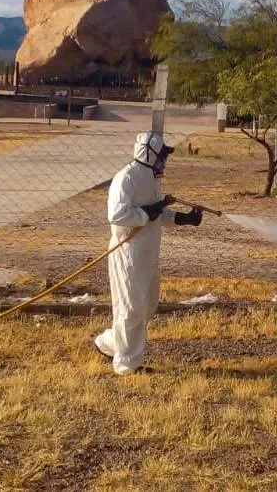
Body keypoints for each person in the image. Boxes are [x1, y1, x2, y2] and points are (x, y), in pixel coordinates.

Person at [94, 132, 203, 375]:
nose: (165, 161)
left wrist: (184, 219)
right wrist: (149, 212)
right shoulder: (126, 178)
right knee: (130, 307)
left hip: (147, 252)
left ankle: (109, 343)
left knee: (148, 303)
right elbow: (118, 216)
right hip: (128, 252)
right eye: (163, 155)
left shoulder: (152, 179)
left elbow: (156, 214)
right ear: (149, 153)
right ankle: (127, 365)